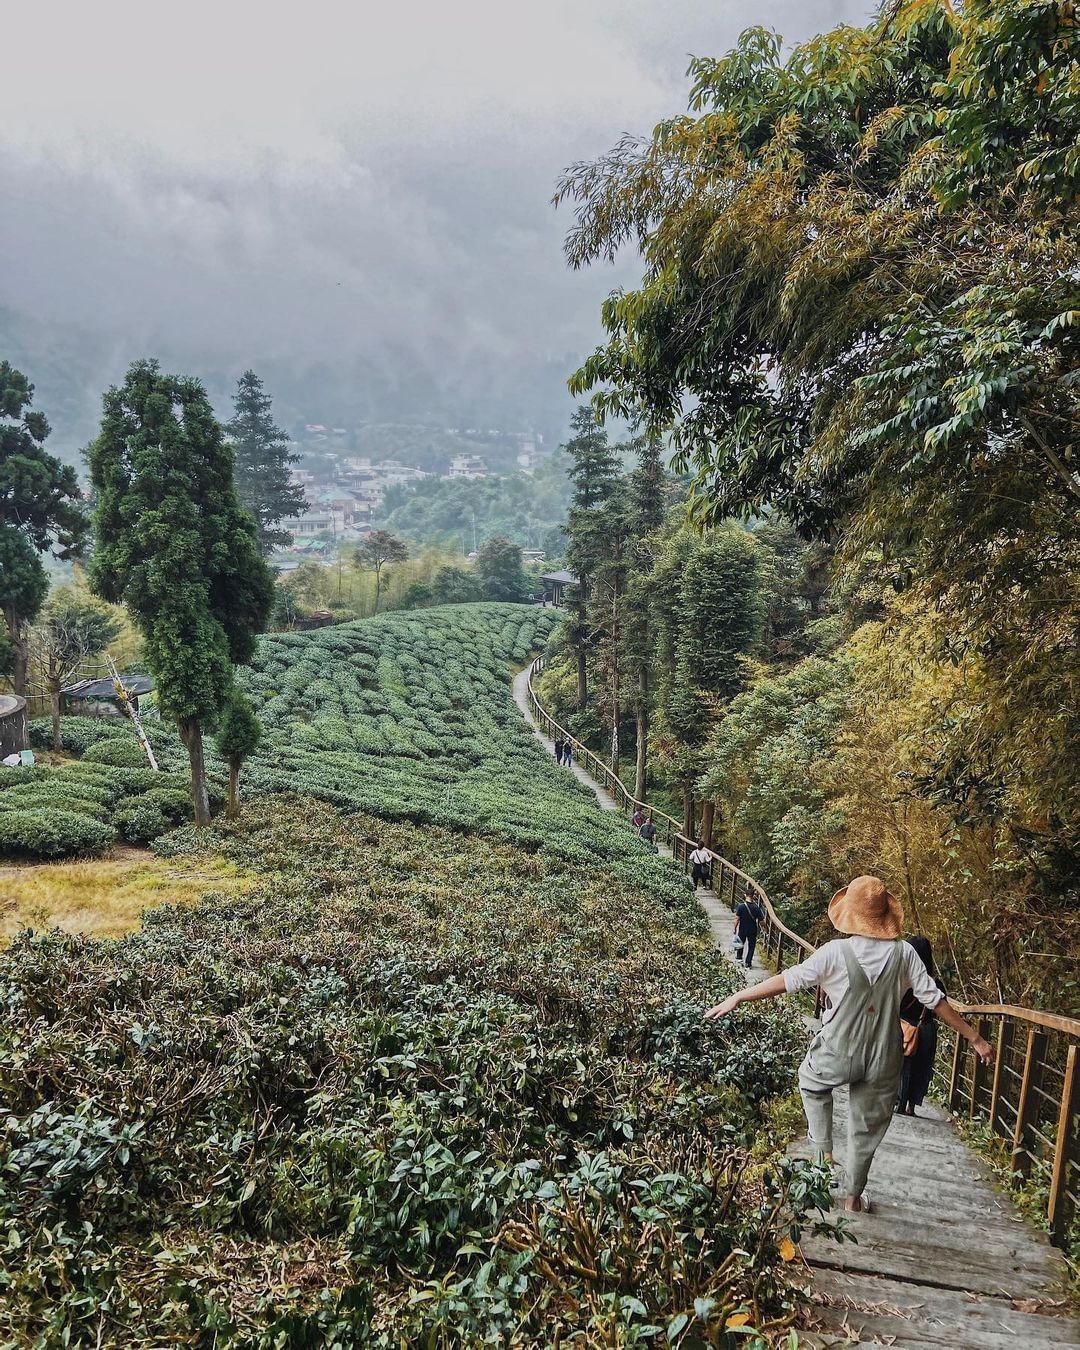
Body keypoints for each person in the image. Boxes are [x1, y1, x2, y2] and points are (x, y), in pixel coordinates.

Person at [704, 875, 994, 1213]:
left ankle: (823, 1153)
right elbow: (935, 1000)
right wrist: (975, 1038)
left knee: (812, 1081)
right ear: (886, 916)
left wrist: (739, 996)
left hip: (838, 1049)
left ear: (850, 915)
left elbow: (789, 980)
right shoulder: (905, 954)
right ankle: (853, 1198)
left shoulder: (835, 952)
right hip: (884, 1056)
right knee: (866, 1126)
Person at [896, 936, 944, 1117]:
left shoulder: (904, 980)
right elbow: (940, 1006)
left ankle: (898, 1101)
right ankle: (911, 1106)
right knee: (922, 1067)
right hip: (926, 1029)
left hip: (903, 1026)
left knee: (902, 1065)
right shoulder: (934, 984)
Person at [733, 888, 765, 969]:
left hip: (742, 928)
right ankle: (748, 962)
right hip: (752, 929)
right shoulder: (756, 908)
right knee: (751, 946)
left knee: (740, 943)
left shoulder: (741, 906)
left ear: (745, 895)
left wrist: (734, 928)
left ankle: (739, 958)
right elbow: (761, 921)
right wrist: (765, 929)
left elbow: (737, 918)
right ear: (753, 896)